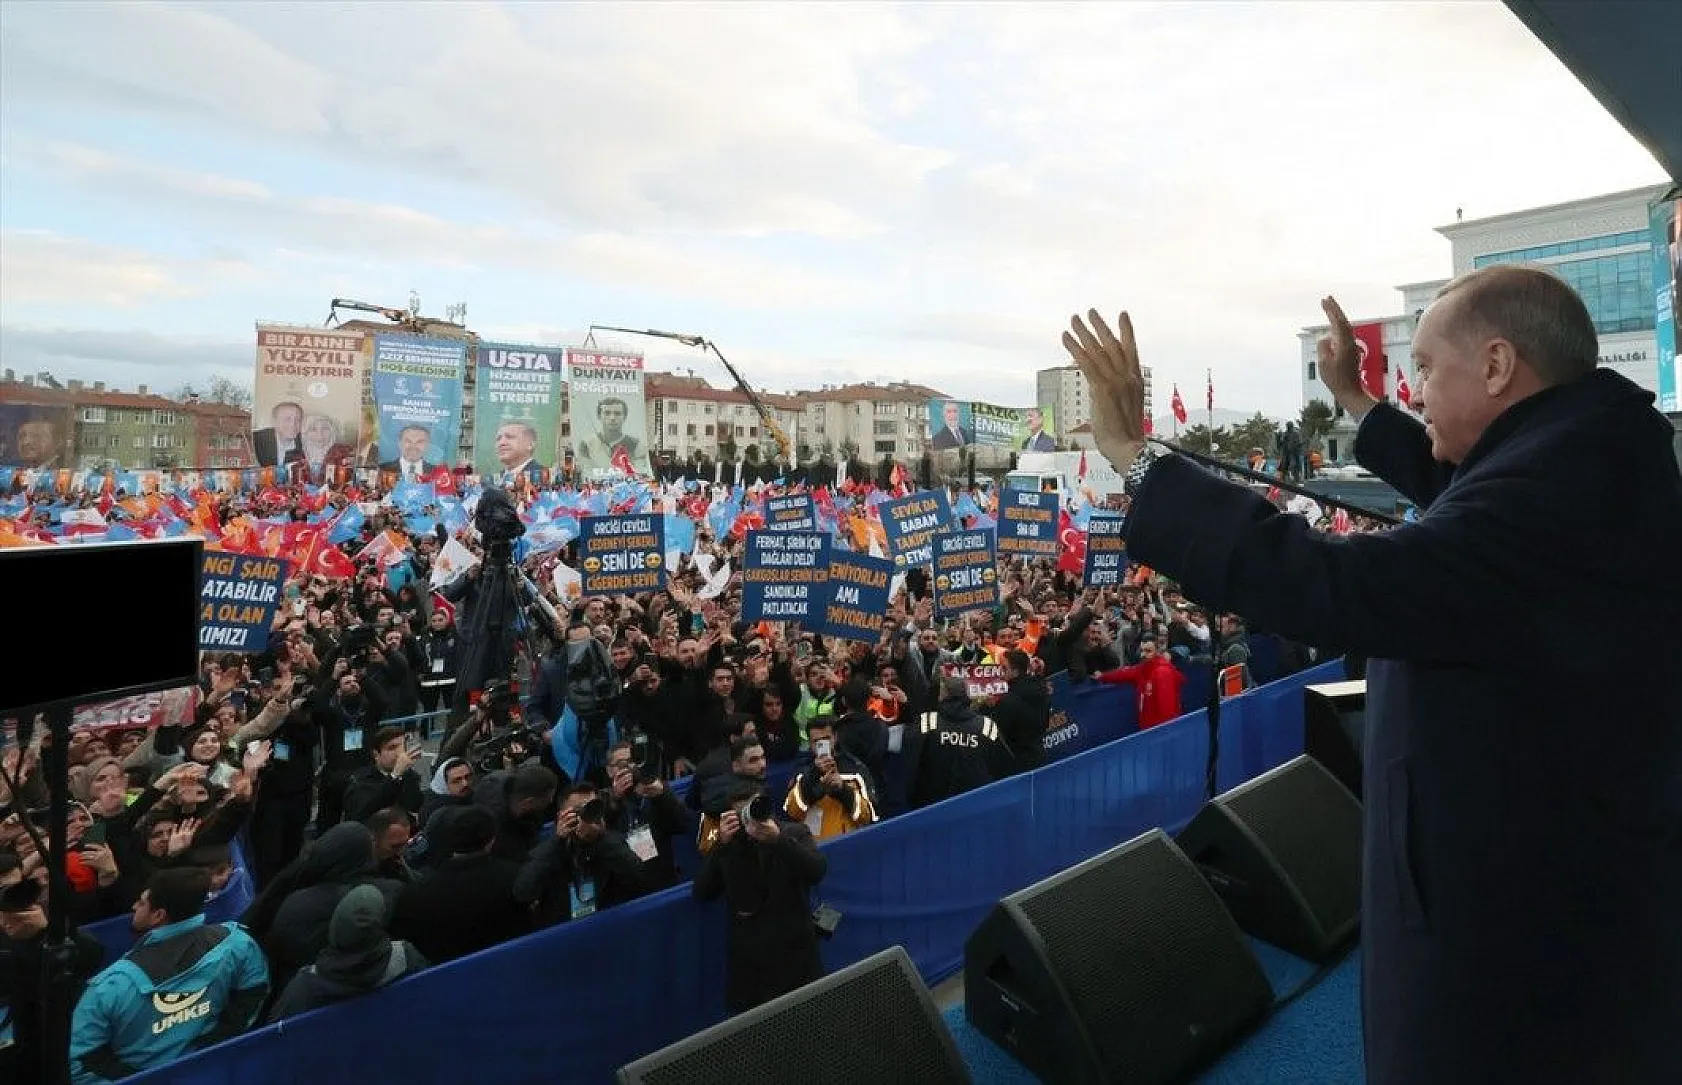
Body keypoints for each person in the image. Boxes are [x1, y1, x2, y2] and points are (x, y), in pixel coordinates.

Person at [1059, 265, 1682, 1085]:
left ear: (1496, 367)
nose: (1414, 389)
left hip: (1515, 939)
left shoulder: (1545, 498)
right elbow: (1468, 488)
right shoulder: (1594, 449)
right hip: (1575, 877)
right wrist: (1356, 401)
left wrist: (1137, 460)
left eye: (1425, 368)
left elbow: (1335, 581)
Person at [70, 867, 269, 1083]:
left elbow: (81, 1063)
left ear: (158, 915)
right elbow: (255, 991)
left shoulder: (109, 986)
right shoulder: (238, 943)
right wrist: (215, 1044)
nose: (134, 906)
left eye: (142, 902)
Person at [573, 397, 643, 475]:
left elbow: (640, 471)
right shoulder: (586, 444)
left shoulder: (636, 444)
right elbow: (585, 472)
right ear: (599, 416)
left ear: (624, 417)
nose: (612, 418)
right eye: (607, 413)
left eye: (617, 413)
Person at [491, 420, 546, 485]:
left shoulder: (545, 478)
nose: (501, 443)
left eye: (510, 437)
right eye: (498, 439)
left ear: (530, 445)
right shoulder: (490, 482)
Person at [252, 401, 304, 468]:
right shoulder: (256, 440)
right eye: (287, 419)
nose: (293, 425)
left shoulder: (306, 443)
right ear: (274, 422)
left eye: (298, 420)